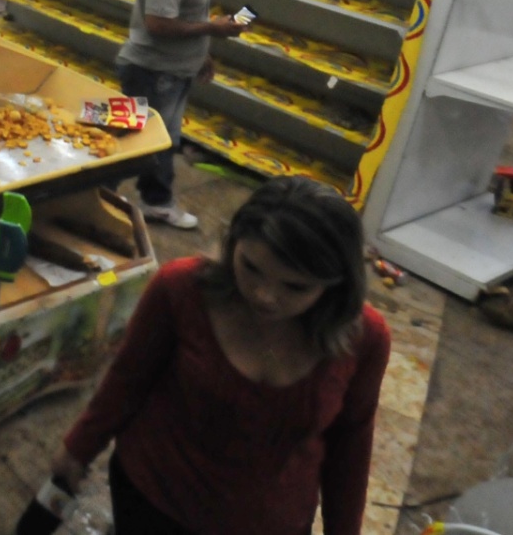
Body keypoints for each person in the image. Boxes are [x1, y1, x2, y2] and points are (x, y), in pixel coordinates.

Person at [41, 178, 391, 535]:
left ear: (336, 283)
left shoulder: (365, 339)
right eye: (251, 267)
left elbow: (351, 441)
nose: (265, 295)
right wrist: (79, 448)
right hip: (152, 500)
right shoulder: (182, 289)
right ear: (233, 243)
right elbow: (129, 377)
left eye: (295, 286)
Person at [116, 0, 247, 230]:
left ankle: (145, 199)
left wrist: (201, 53)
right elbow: (158, 24)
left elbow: (187, 12)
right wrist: (213, 29)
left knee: (156, 141)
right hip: (153, 71)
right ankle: (132, 200)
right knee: (145, 143)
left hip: (171, 69)